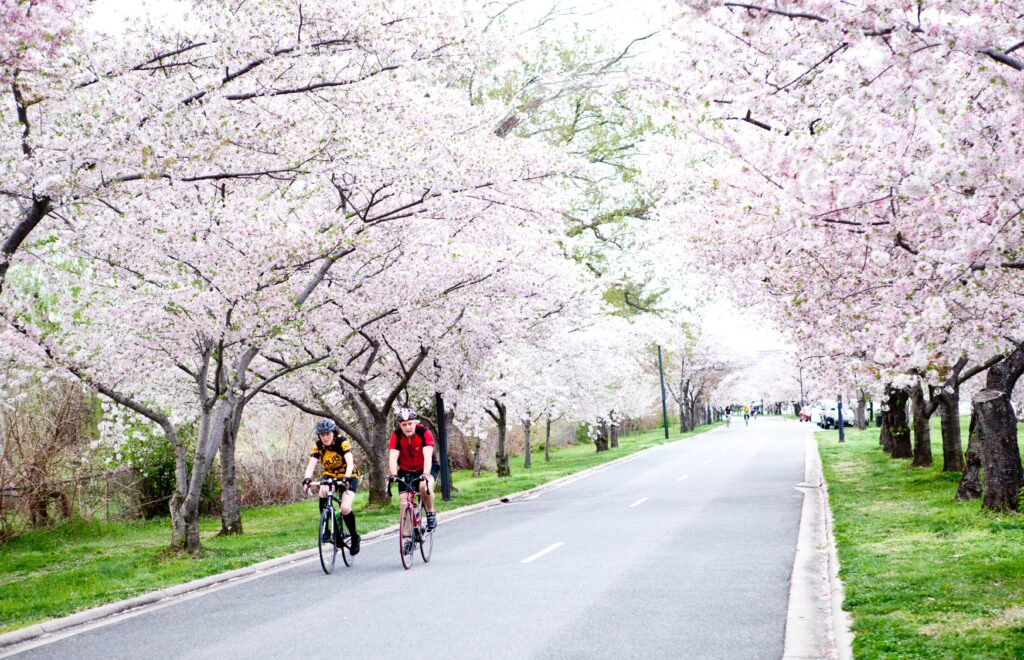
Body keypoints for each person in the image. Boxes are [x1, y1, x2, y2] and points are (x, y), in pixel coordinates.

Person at [303, 418, 361, 555]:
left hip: (349, 474)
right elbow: (312, 464)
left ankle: (354, 536)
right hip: (330, 475)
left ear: (333, 432)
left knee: (345, 508)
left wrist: (346, 478)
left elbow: (350, 461)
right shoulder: (318, 445)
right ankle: (327, 528)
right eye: (322, 435)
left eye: (328, 434)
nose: (325, 437)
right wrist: (307, 479)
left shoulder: (342, 441)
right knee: (323, 492)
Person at [387, 407, 438, 532]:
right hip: (406, 469)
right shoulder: (396, 435)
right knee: (404, 503)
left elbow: (427, 456)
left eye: (410, 424)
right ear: (400, 425)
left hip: (426, 467)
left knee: (423, 486)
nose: (407, 427)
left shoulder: (424, 433)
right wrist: (393, 474)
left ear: (415, 422)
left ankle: (431, 512)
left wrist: (426, 474)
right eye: (404, 425)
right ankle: (408, 537)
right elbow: (393, 457)